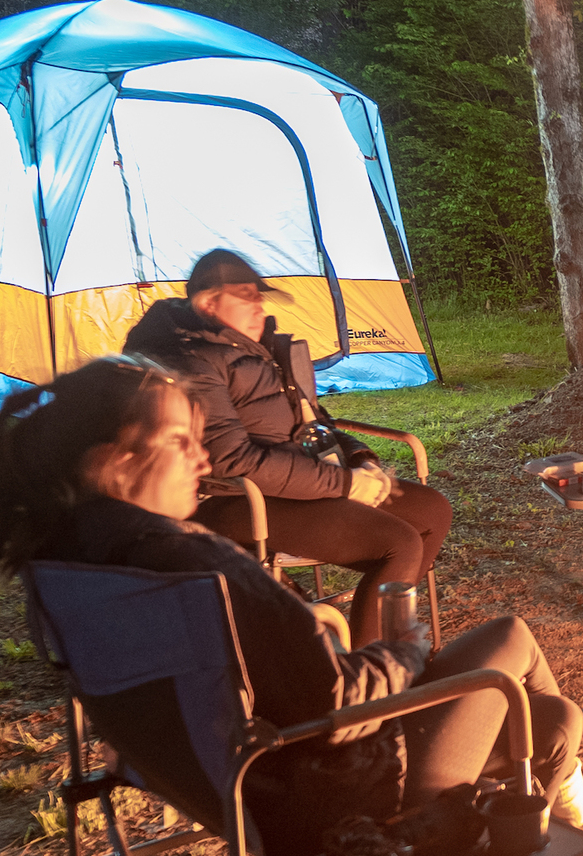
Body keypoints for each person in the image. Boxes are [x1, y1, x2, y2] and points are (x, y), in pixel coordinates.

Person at [0, 355, 583, 856]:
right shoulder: (201, 565)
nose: (204, 458)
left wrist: (319, 626)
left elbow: (248, 667)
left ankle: (568, 800)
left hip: (228, 787)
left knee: (554, 725)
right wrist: (404, 652)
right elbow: (334, 700)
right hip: (333, 800)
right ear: (115, 466)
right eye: (180, 441)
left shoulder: (69, 566)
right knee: (514, 645)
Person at [124, 248, 451, 645]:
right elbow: (233, 462)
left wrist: (360, 459)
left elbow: (314, 420)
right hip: (233, 500)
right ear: (208, 303)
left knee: (432, 510)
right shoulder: (190, 358)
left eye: (259, 295)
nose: (259, 305)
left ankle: (378, 634)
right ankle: (369, 680)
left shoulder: (257, 347)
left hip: (301, 481)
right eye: (246, 296)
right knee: (397, 544)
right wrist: (344, 485)